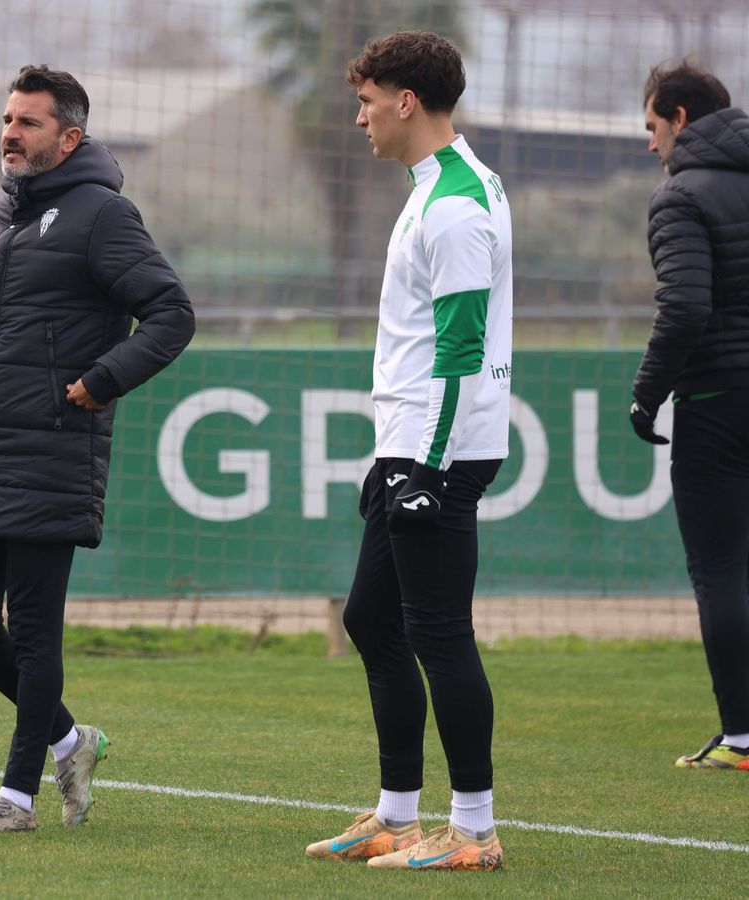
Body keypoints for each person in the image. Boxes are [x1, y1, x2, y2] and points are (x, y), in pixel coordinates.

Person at [0, 64, 194, 833]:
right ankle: (73, 740)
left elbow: (171, 314)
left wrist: (102, 381)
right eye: (7, 118)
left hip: (53, 452)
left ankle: (17, 798)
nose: (10, 132)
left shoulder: (104, 215)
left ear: (70, 137)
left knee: (33, 635)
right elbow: (2, 329)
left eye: (28, 122)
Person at [303, 32, 511, 870]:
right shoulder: (440, 188)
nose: (359, 116)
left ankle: (474, 831)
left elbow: (459, 355)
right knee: (370, 619)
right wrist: (394, 455)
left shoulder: (456, 204)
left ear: (407, 103)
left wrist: (423, 468)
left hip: (441, 453)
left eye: (367, 100)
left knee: (438, 634)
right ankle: (395, 814)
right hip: (411, 444)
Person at [629, 59, 749, 772]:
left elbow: (686, 306)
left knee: (722, 569)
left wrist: (648, 393)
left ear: (679, 118)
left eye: (651, 126)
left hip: (716, 400)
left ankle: (741, 737)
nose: (649, 144)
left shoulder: (679, 196)